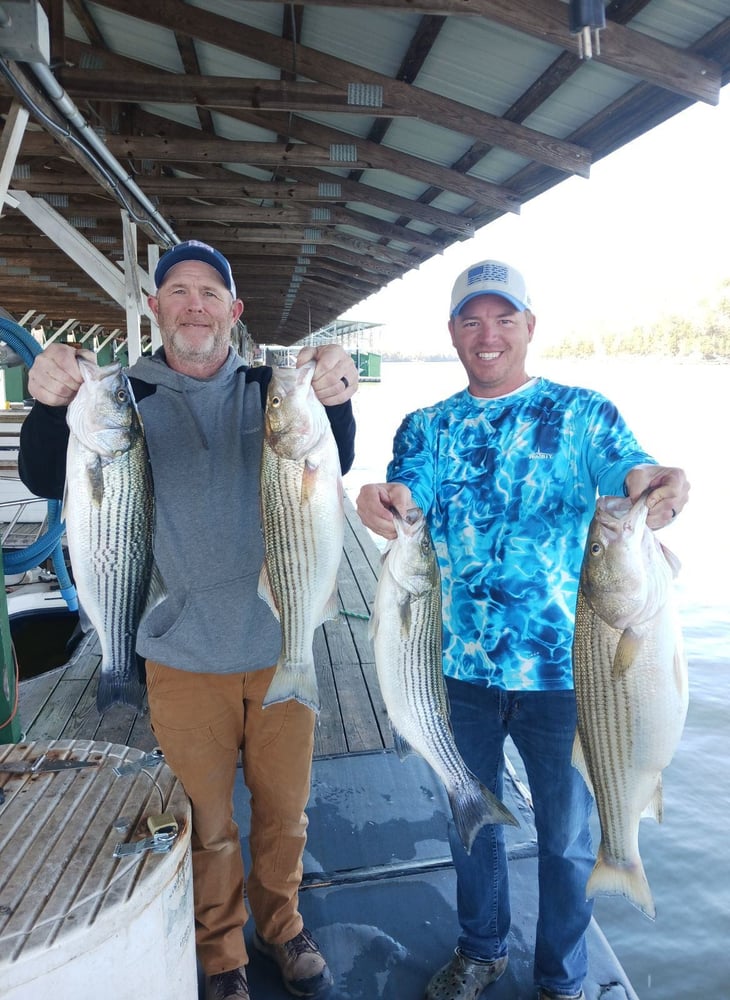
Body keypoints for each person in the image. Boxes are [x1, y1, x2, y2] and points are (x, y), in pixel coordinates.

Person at [18, 240, 359, 1000]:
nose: (195, 304)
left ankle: (282, 926)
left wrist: (334, 390)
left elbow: (333, 454)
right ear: (156, 309)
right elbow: (45, 472)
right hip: (176, 653)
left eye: (211, 292)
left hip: (279, 646)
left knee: (285, 812)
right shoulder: (118, 396)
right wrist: (46, 396)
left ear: (234, 312)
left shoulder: (271, 389)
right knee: (205, 821)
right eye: (179, 290)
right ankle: (222, 954)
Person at [356, 259, 690, 1000]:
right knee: (468, 824)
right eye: (472, 319)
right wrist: (382, 499)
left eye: (504, 318)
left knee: (569, 840)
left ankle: (562, 978)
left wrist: (656, 484)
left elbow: (630, 471)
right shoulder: (428, 426)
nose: (489, 334)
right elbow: (410, 487)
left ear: (530, 327)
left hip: (568, 677)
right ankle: (481, 949)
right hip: (457, 671)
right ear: (452, 332)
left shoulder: (583, 412)